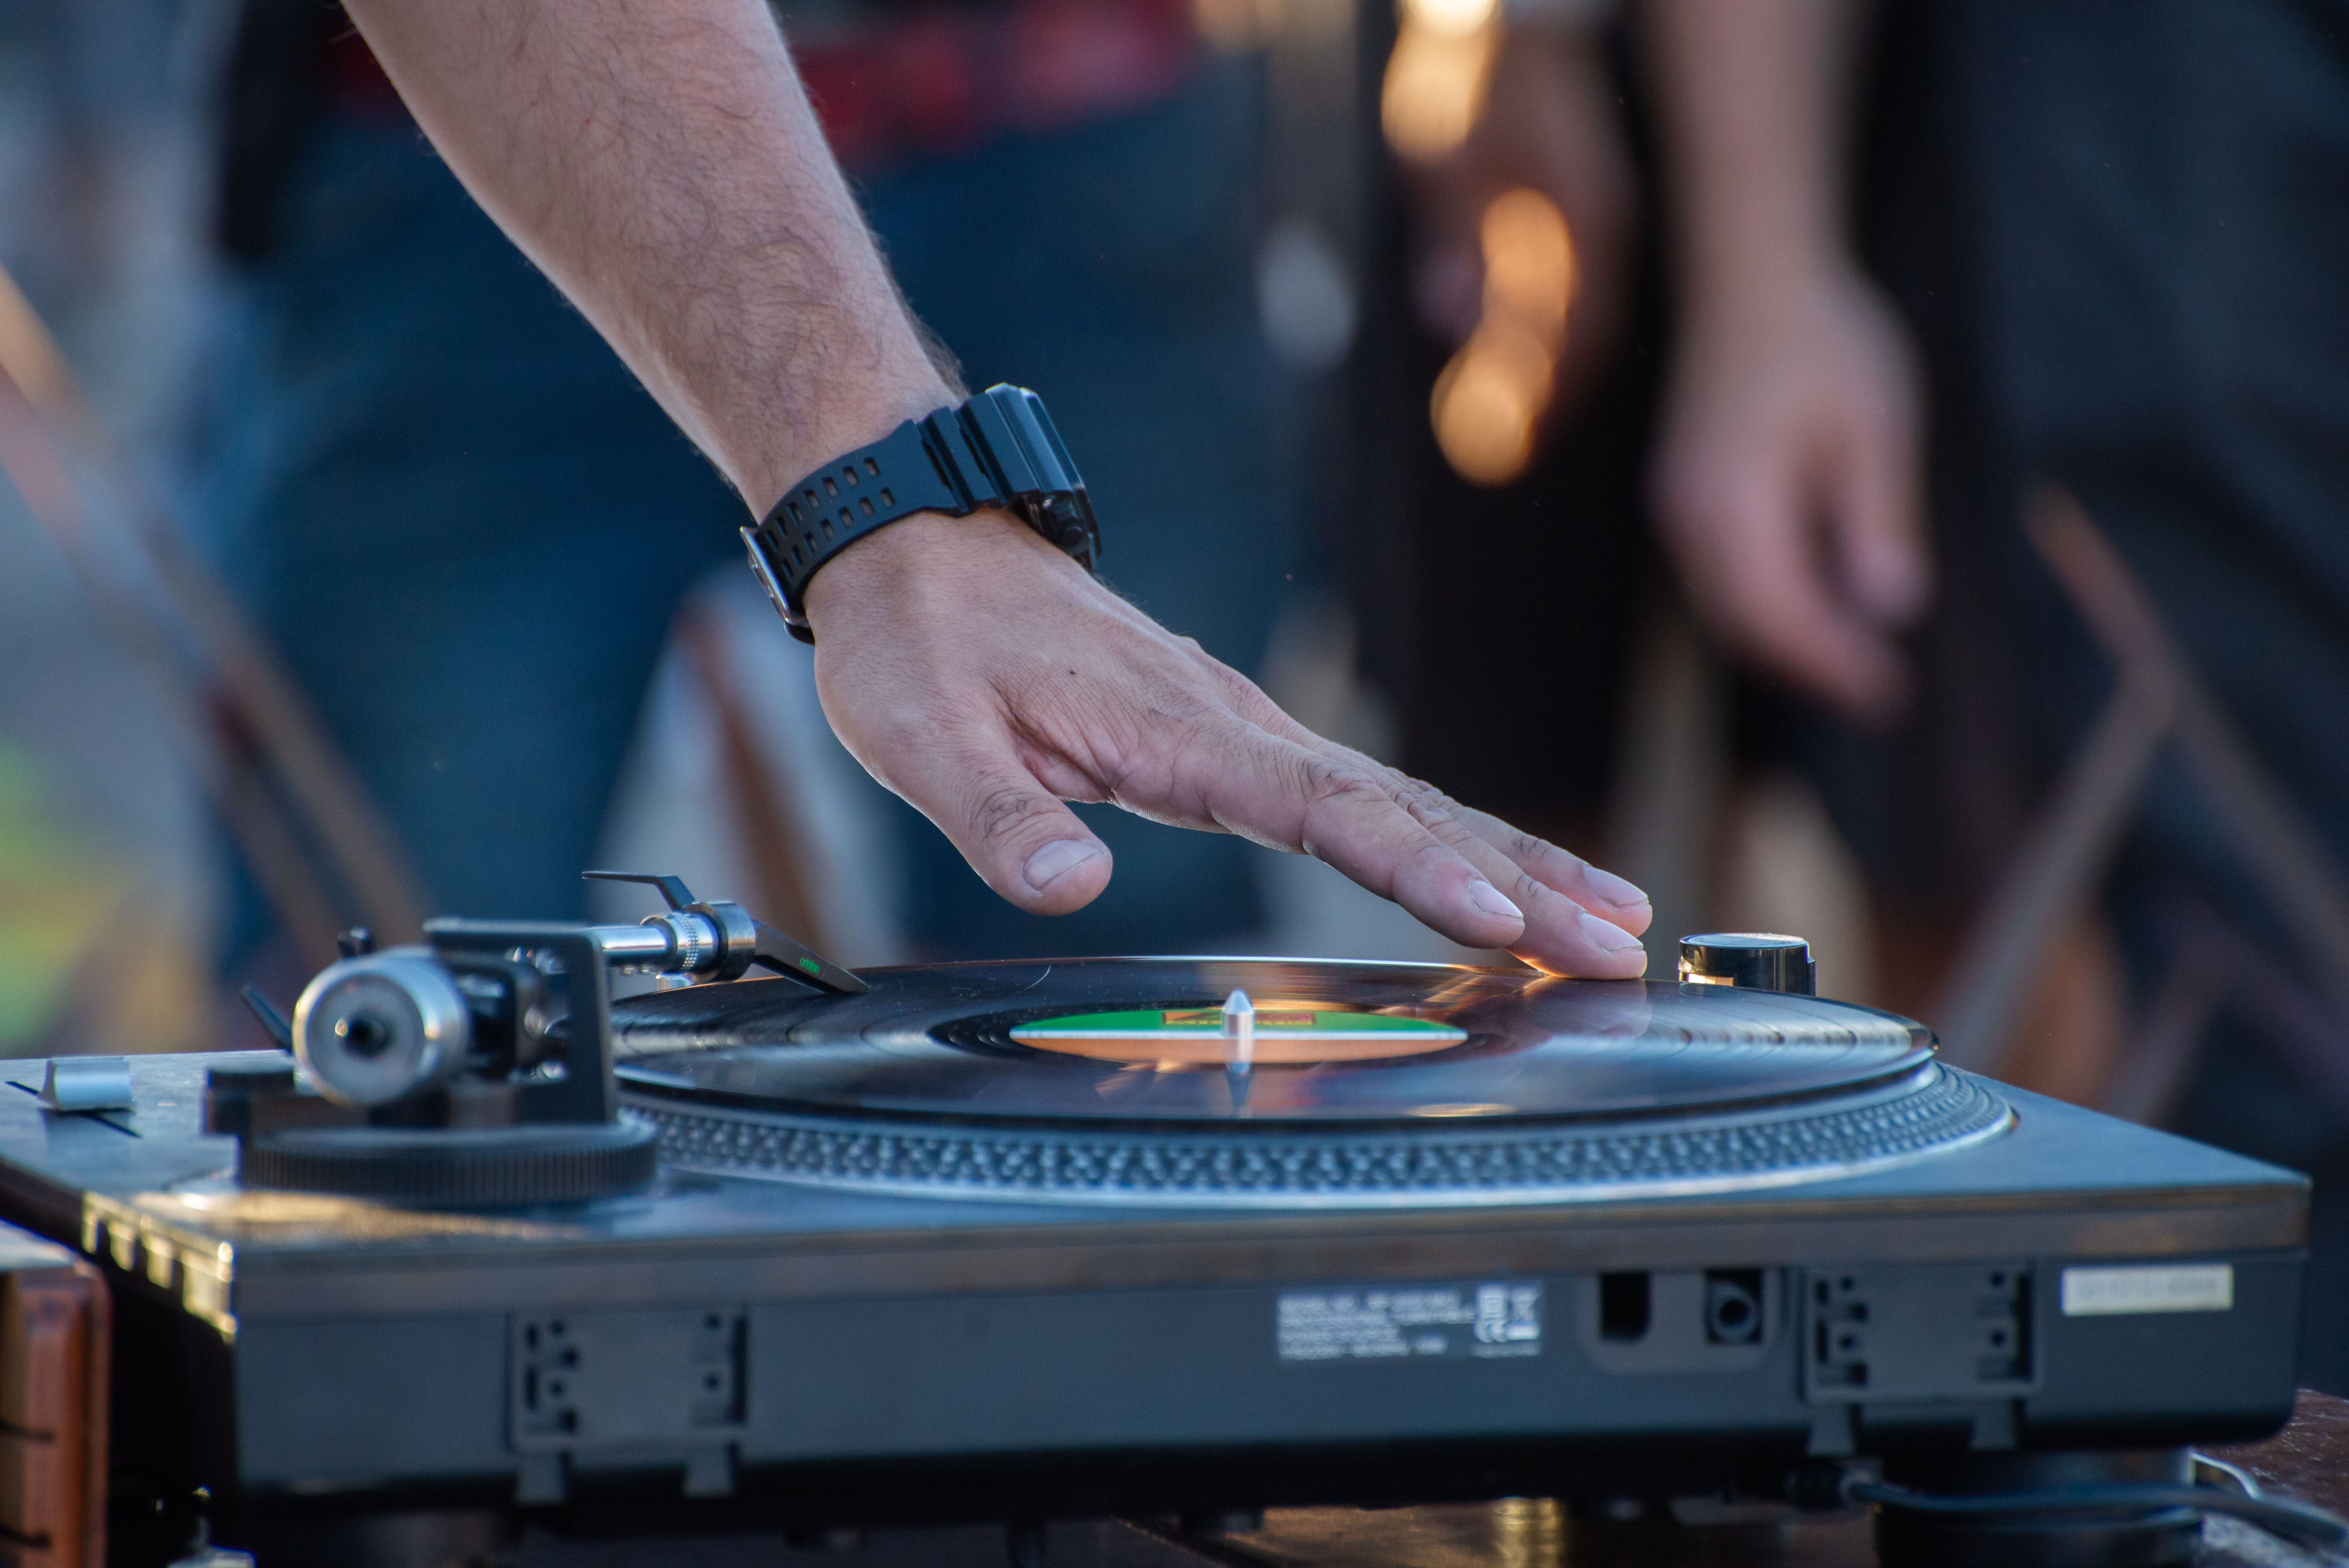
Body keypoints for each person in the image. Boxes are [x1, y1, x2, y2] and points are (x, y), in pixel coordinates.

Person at [325, 0, 1656, 978]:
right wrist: (883, 485)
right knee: (396, 998)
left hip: (1102, 128)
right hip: (460, 145)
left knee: (1125, 978)